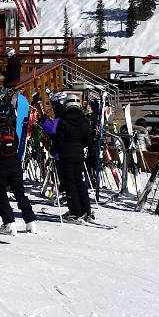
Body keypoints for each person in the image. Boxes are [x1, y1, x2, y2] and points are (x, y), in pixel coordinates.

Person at [0, 99, 37, 234]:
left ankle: (9, 223)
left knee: (0, 195)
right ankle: (31, 222)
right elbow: (16, 146)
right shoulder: (11, 129)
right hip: (15, 164)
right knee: (19, 194)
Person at [52, 94, 95, 222]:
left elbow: (59, 140)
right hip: (79, 154)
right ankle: (86, 210)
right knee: (79, 182)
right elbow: (88, 139)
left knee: (69, 183)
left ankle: (75, 211)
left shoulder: (63, 120)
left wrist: (53, 151)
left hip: (66, 153)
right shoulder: (84, 120)